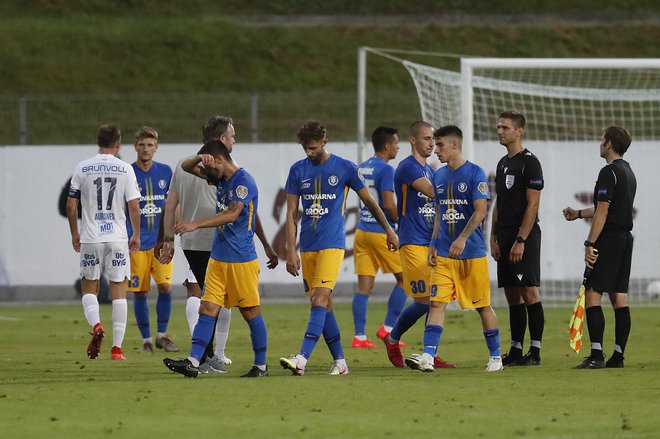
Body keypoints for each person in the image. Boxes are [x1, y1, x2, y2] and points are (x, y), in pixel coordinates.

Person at [279, 120, 398, 376]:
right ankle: (341, 362)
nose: (308, 153)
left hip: (332, 245)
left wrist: (389, 229)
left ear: (324, 142)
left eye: (312, 148)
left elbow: (370, 202)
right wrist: (290, 250)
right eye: (305, 148)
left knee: (319, 298)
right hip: (307, 246)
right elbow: (290, 214)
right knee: (323, 305)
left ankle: (301, 359)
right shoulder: (297, 170)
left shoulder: (345, 168)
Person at [159, 115, 277, 373]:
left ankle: (261, 365)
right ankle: (193, 362)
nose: (209, 178)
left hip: (241, 260)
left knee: (250, 312)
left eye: (212, 171)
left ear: (221, 161)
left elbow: (233, 214)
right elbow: (188, 168)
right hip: (219, 258)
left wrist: (195, 224)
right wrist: (201, 159)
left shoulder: (243, 182)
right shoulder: (220, 176)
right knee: (207, 307)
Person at [405, 125, 503, 373]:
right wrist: (433, 243)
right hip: (444, 255)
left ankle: (496, 357)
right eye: (435, 145)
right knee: (436, 303)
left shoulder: (474, 173)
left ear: (455, 145)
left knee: (482, 306)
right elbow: (439, 212)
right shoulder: (438, 176)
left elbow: (481, 210)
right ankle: (428, 355)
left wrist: (462, 238)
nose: (435, 150)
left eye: (440, 145)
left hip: (471, 254)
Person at [382, 121, 454, 369]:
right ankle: (392, 339)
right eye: (426, 138)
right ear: (412, 140)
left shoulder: (431, 170)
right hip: (412, 242)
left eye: (433, 139)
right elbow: (436, 193)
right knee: (426, 301)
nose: (432, 143)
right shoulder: (408, 168)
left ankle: (428, 354)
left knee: (435, 300)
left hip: (431, 243)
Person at [562, 126, 636, 369]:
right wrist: (579, 213)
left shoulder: (608, 172)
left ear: (610, 144)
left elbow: (604, 211)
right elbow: (608, 207)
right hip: (626, 238)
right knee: (619, 295)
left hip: (611, 238)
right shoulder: (628, 172)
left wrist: (590, 244)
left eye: (603, 139)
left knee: (593, 293)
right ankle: (617, 356)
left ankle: (596, 356)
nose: (600, 143)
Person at [66, 124, 141, 361]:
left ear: (98, 142)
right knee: (119, 290)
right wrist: (136, 234)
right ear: (118, 144)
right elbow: (134, 206)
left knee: (90, 287)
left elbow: (70, 205)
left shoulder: (83, 167)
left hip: (90, 237)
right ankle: (117, 350)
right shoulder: (126, 168)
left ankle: (97, 326)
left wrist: (74, 233)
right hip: (117, 238)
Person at [490, 111, 545, 367]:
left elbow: (532, 206)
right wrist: (493, 236)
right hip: (504, 235)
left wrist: (521, 240)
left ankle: (534, 352)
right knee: (512, 294)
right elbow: (499, 203)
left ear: (519, 131)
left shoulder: (529, 163)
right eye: (499, 127)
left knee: (529, 292)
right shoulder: (502, 163)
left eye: (504, 127)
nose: (500, 131)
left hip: (524, 236)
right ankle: (515, 349)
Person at [352, 126, 406, 349]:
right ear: (387, 146)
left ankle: (359, 337)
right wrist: (400, 224)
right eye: (395, 143)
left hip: (361, 232)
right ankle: (388, 328)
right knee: (406, 280)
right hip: (380, 232)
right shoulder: (386, 170)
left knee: (364, 287)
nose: (398, 147)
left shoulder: (362, 168)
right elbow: (388, 204)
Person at [125, 126, 178, 353]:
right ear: (135, 147)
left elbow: (173, 205)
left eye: (150, 145)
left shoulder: (166, 172)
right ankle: (146, 339)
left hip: (160, 244)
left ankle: (161, 335)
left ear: (156, 148)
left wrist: (170, 237)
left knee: (165, 287)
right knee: (140, 292)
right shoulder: (127, 172)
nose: (145, 149)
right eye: (142, 145)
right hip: (135, 243)